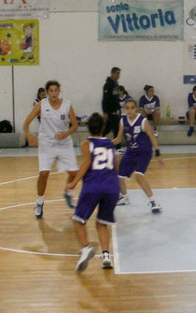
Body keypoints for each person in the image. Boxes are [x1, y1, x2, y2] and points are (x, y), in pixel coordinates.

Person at [65, 113, 120, 272]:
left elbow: (87, 162)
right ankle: (106, 257)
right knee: (102, 223)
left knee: (78, 221)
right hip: (112, 186)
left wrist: (74, 182)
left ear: (87, 127)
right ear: (103, 128)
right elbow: (116, 165)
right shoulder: (110, 143)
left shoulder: (86, 144)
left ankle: (86, 248)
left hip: (93, 185)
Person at [22, 80, 79, 218]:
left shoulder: (67, 104)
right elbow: (26, 123)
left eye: (56, 90)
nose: (53, 93)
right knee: (44, 173)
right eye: (51, 91)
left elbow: (75, 125)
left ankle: (68, 192)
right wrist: (29, 136)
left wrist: (66, 133)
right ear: (47, 93)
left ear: (59, 91)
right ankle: (39, 202)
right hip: (46, 142)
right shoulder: (41, 105)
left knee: (74, 173)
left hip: (64, 142)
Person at [113, 99, 163, 212]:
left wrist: (158, 153)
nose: (129, 110)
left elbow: (151, 137)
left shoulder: (142, 120)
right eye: (127, 108)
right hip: (131, 151)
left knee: (138, 176)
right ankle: (124, 197)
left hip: (144, 151)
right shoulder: (122, 121)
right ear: (124, 109)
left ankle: (154, 201)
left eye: (132, 107)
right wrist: (105, 143)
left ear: (136, 108)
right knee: (119, 176)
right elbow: (119, 138)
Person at [101, 67, 121, 138]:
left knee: (108, 129)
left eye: (119, 74)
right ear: (112, 73)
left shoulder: (116, 84)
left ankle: (97, 140)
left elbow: (116, 97)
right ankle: (117, 147)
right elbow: (105, 99)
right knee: (116, 129)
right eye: (117, 73)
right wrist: (105, 112)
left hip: (115, 111)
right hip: (110, 112)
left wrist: (119, 108)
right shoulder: (107, 85)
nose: (118, 75)